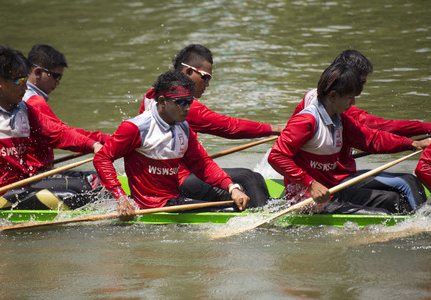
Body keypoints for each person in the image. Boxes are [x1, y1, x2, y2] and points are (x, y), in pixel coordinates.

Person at [268, 63, 430, 215]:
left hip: (331, 190)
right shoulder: (306, 121)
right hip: (308, 200)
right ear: (333, 96)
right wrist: (310, 183)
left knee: (392, 199)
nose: (353, 103)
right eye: (350, 98)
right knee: (383, 214)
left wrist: (413, 144)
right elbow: (276, 156)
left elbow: (372, 139)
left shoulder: (340, 120)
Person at [94, 70, 250, 221]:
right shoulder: (136, 127)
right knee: (233, 210)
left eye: (190, 101)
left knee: (240, 191)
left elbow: (202, 164)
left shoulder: (184, 127)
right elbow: (102, 158)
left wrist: (232, 187)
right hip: (153, 205)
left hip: (175, 198)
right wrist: (121, 197)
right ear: (162, 101)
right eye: (181, 102)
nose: (187, 108)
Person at [140, 44, 284, 207]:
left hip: (169, 174)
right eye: (205, 77)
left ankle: (263, 207)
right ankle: (264, 221)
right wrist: (275, 130)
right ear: (188, 72)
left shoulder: (153, 96)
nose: (207, 84)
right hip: (174, 182)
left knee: (255, 178)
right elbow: (229, 127)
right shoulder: (181, 107)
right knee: (248, 177)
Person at [0, 46, 100, 210]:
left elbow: (58, 134)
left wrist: (93, 145)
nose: (25, 87)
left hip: (23, 184)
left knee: (84, 186)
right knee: (73, 196)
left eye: (25, 80)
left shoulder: (24, 110)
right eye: (20, 81)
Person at [293, 49, 431, 184]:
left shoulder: (315, 96)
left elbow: (373, 138)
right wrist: (425, 130)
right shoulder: (341, 110)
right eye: (361, 83)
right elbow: (384, 128)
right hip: (331, 178)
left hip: (328, 171)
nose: (362, 89)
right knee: (407, 183)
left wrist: (412, 143)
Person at [24, 44, 110, 175]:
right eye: (56, 76)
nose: (58, 82)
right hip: (32, 176)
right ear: (38, 72)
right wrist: (94, 145)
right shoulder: (34, 102)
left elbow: (62, 131)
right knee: (97, 181)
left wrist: (105, 139)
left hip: (34, 171)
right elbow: (61, 134)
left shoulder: (25, 96)